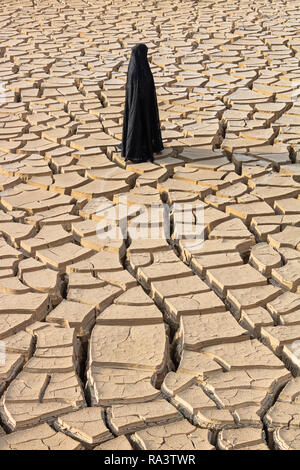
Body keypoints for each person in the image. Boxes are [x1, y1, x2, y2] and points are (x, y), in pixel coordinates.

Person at [121, 43, 164, 163]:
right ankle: (137, 150)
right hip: (141, 105)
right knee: (139, 123)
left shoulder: (134, 67)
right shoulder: (139, 69)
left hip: (141, 103)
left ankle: (145, 145)